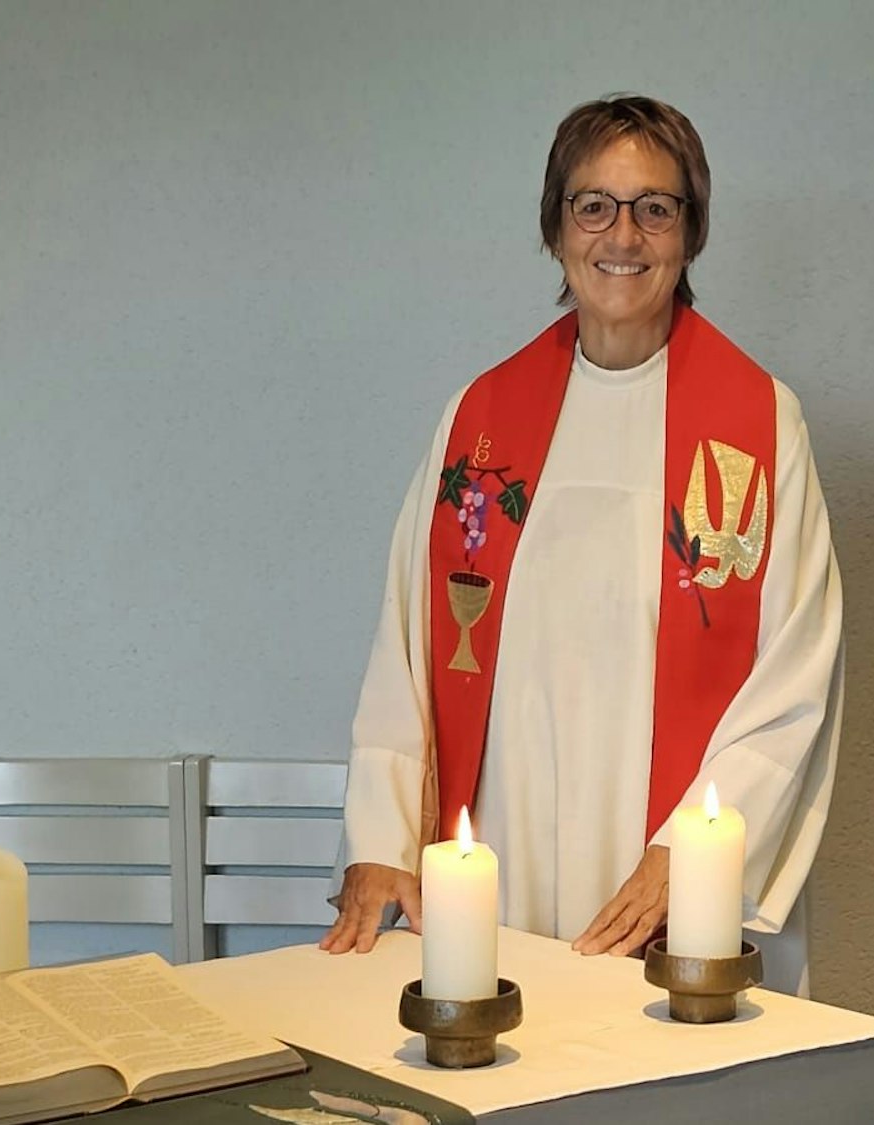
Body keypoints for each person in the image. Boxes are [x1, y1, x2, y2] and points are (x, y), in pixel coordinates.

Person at [320, 96, 843, 978]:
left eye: (655, 207)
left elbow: (795, 671)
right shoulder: (478, 422)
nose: (623, 236)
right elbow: (408, 645)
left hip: (668, 863)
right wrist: (382, 833)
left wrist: (696, 850)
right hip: (506, 844)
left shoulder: (756, 425)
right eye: (593, 204)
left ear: (691, 232)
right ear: (557, 229)